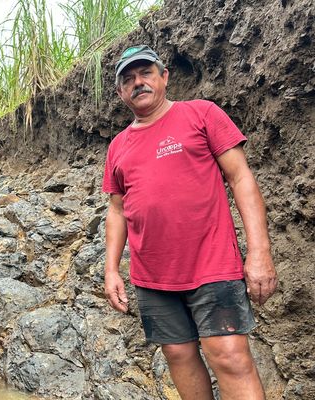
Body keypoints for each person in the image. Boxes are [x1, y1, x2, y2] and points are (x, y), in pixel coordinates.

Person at [102, 45, 278, 400]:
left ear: (164, 76)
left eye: (146, 72)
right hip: (152, 275)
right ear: (121, 92)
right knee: (178, 355)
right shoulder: (118, 146)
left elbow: (242, 178)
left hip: (212, 264)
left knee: (228, 355)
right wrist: (111, 270)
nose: (138, 82)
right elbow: (117, 209)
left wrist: (259, 251)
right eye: (128, 78)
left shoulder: (202, 114)